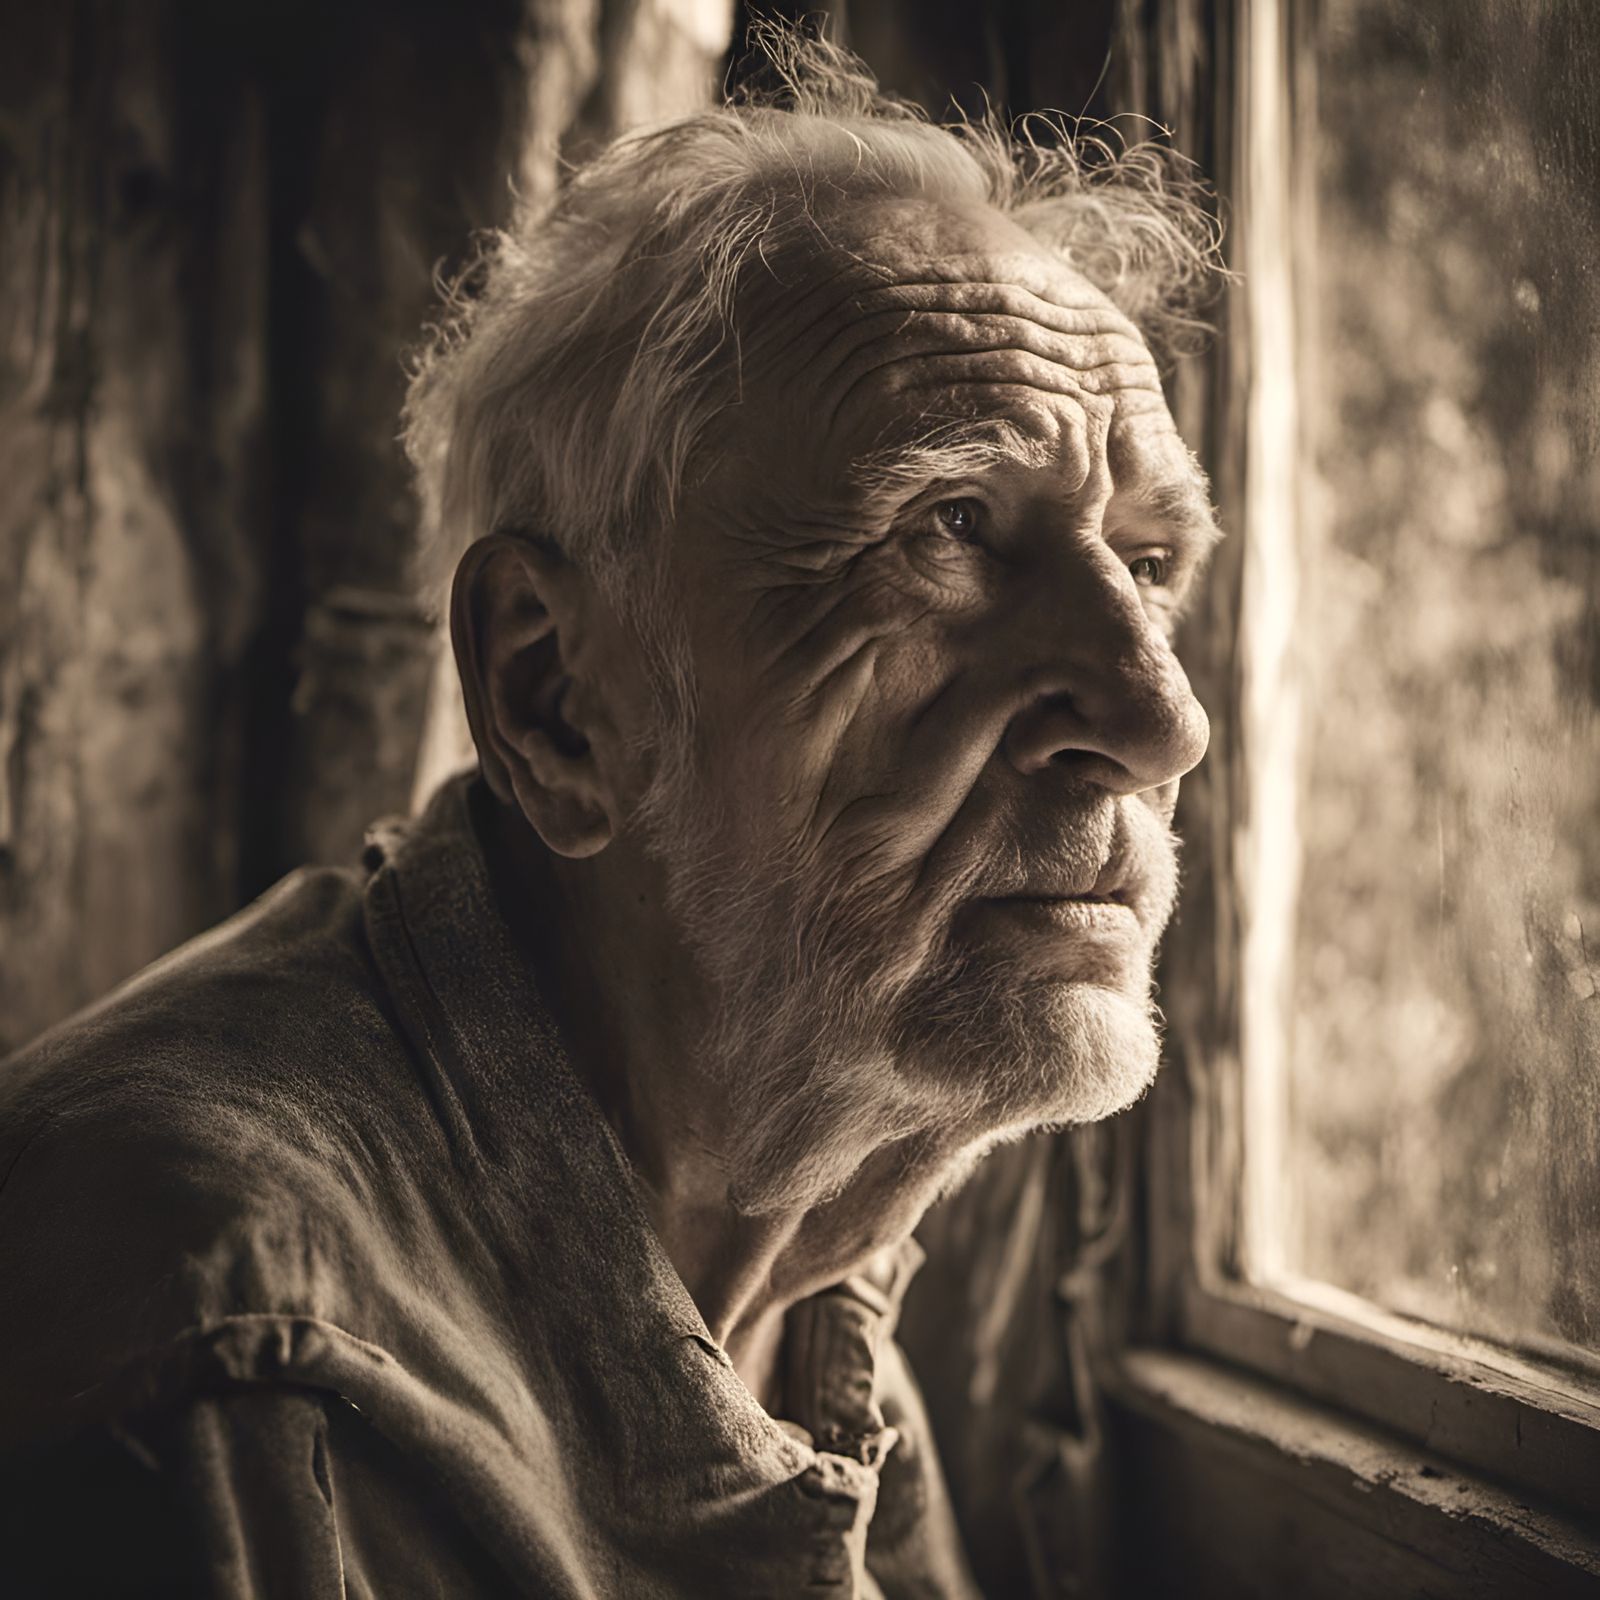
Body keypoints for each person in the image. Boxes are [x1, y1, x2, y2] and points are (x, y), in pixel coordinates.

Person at [0, 26, 1222, 1598]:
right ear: (555, 699)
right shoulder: (230, 1377)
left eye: (1150, 563)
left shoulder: (783, 1220)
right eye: (953, 530)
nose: (1158, 718)